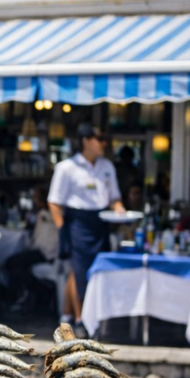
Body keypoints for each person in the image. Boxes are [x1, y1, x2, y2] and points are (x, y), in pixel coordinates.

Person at [47, 124, 124, 330]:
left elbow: (114, 197)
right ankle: (81, 318)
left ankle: (69, 315)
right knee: (79, 270)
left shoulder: (107, 166)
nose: (104, 144)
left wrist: (119, 208)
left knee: (96, 270)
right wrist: (63, 229)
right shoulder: (66, 167)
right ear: (86, 141)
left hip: (100, 221)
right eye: (100, 139)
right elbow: (54, 202)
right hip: (76, 222)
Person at [5, 186, 59, 309]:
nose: (34, 200)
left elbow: (40, 239)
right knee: (15, 265)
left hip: (46, 252)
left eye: (36, 197)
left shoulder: (47, 215)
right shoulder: (48, 214)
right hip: (43, 251)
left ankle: (33, 293)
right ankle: (36, 292)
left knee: (12, 263)